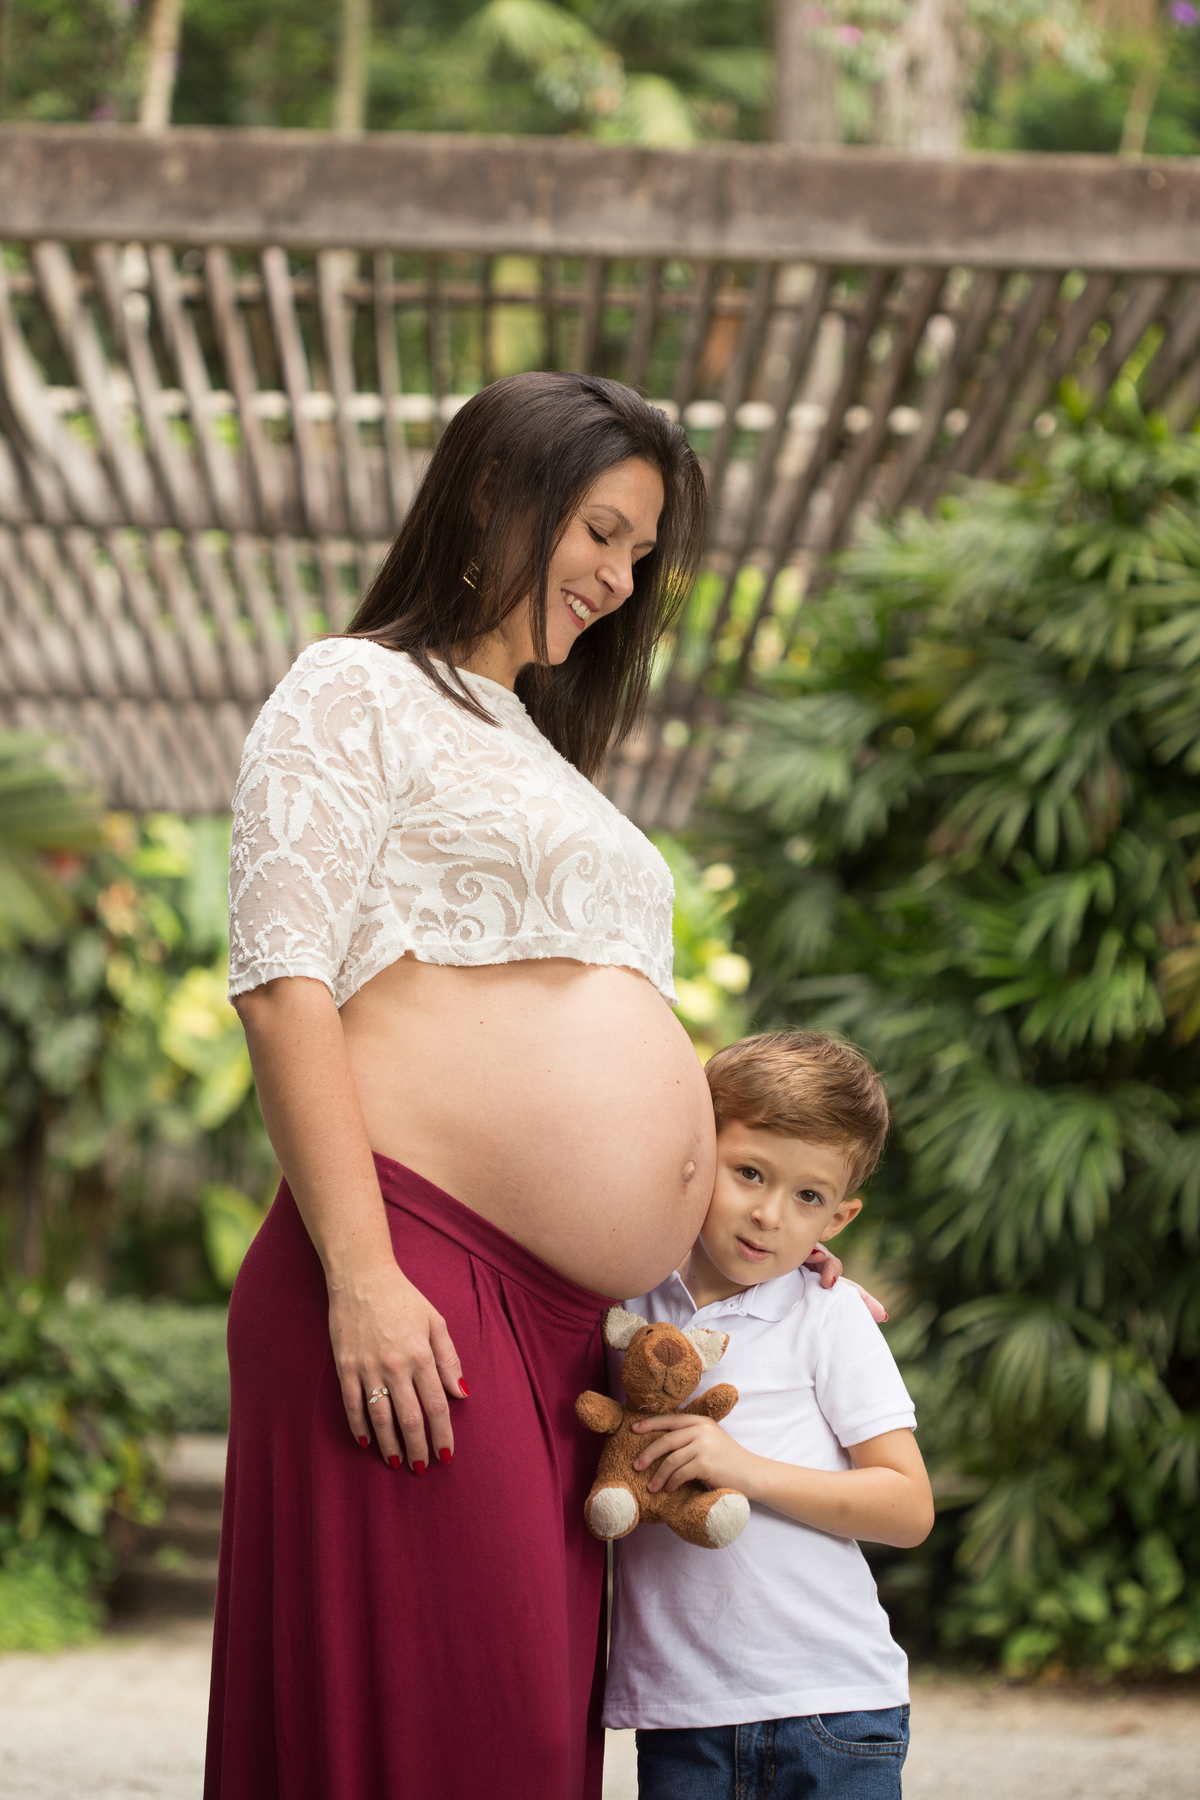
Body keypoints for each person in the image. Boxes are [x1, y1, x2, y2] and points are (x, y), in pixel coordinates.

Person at [205, 371, 860, 1800]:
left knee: (518, 1748)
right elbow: (280, 980)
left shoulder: (539, 748)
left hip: (562, 1333)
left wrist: (766, 1241)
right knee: (447, 1738)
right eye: (601, 532)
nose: (620, 581)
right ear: (498, 495)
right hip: (414, 1275)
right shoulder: (355, 686)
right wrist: (362, 1278)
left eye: (641, 555)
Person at [601, 1031, 935, 1800]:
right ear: (695, 1154)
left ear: (839, 1219)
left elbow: (908, 1507)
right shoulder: (625, 1293)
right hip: (683, 1715)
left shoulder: (828, 1314)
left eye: (808, 1198)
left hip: (832, 1707)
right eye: (749, 1172)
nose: (769, 1214)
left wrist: (742, 1468)